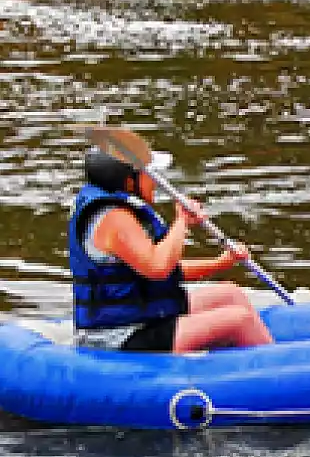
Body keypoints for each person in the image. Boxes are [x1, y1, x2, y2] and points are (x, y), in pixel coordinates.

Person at [69, 148, 273, 353]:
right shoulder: (114, 219)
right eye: (149, 175)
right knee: (239, 320)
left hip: (142, 317)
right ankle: (277, 371)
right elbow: (158, 268)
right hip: (119, 335)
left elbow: (164, 268)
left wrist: (222, 262)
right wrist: (182, 221)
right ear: (129, 182)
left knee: (230, 294)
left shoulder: (118, 212)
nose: (156, 181)